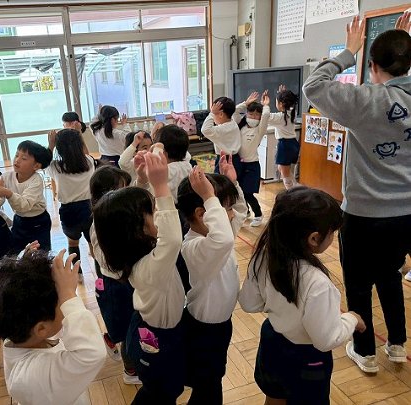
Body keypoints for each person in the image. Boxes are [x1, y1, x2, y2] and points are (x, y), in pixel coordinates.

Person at [302, 12, 411, 373]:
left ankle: (365, 352)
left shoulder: (364, 100)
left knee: (359, 283)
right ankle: (397, 344)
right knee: (391, 275)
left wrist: (349, 51)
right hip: (406, 215)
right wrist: (402, 44)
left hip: (364, 215)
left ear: (372, 65)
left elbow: (314, 86)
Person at [239, 187, 366, 405]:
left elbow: (249, 303)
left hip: (272, 343)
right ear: (314, 238)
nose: (333, 237)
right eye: (332, 233)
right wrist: (351, 319)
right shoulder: (318, 284)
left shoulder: (263, 256)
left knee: (274, 396)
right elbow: (326, 339)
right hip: (306, 359)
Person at [93, 152, 185, 403]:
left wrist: (143, 181)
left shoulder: (133, 251)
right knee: (163, 391)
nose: (159, 214)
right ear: (138, 229)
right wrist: (161, 186)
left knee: (158, 389)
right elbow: (172, 239)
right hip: (157, 338)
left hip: (147, 328)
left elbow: (132, 213)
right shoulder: (150, 266)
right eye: (153, 212)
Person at [0, 250, 106, 405]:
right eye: (62, 302)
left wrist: (22, 266)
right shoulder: (31, 377)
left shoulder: (18, 329)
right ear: (41, 329)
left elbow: (12, 294)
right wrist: (68, 295)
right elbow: (92, 353)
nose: (65, 304)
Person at [176, 155, 247, 404]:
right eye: (224, 208)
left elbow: (240, 213)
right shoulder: (195, 246)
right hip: (203, 330)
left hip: (220, 325)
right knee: (209, 385)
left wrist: (233, 183)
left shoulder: (217, 234)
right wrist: (208, 196)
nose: (230, 214)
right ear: (201, 214)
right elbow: (223, 239)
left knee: (211, 379)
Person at [89, 165, 139, 384]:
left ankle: (111, 337)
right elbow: (106, 261)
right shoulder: (100, 224)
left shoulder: (115, 215)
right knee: (128, 328)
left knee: (126, 322)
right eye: (122, 190)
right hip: (117, 283)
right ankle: (130, 371)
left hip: (121, 281)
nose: (126, 194)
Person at [47, 129, 95, 282]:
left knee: (73, 243)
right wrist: (80, 135)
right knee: (93, 242)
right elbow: (86, 153)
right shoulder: (89, 162)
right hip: (89, 208)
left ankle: (78, 274)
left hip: (69, 211)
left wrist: (50, 144)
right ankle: (100, 275)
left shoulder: (56, 167)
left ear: (59, 148)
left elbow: (45, 162)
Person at [0, 140, 52, 253]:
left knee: (40, 254)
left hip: (38, 221)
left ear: (36, 166)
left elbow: (24, 205)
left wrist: (7, 192)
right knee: (17, 251)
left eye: (24, 158)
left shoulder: (36, 180)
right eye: (16, 155)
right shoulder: (6, 177)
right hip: (19, 220)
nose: (17, 160)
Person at [235, 91, 270, 226]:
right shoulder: (240, 126)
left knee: (248, 193)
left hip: (252, 165)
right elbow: (234, 112)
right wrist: (246, 103)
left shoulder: (259, 130)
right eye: (251, 114)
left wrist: (265, 105)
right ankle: (246, 212)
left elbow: (266, 116)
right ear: (246, 114)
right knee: (239, 192)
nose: (254, 117)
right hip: (239, 164)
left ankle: (259, 215)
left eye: (257, 114)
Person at [267, 85, 300, 190]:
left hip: (285, 145)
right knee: (284, 170)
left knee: (286, 176)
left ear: (281, 104)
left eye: (277, 101)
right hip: (293, 144)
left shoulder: (279, 117)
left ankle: (293, 193)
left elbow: (265, 116)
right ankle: (296, 189)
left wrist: (265, 105)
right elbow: (289, 105)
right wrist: (283, 94)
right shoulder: (292, 112)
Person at [151, 124, 192, 203]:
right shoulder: (187, 165)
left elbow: (154, 162)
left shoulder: (166, 170)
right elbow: (178, 143)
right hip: (187, 205)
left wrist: (158, 147)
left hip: (170, 206)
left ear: (163, 152)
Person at [201, 97, 241, 173]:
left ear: (221, 114)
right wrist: (246, 103)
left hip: (225, 160)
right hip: (235, 159)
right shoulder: (233, 122)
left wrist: (211, 113)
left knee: (221, 180)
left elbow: (205, 130)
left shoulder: (221, 130)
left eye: (214, 114)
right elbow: (237, 109)